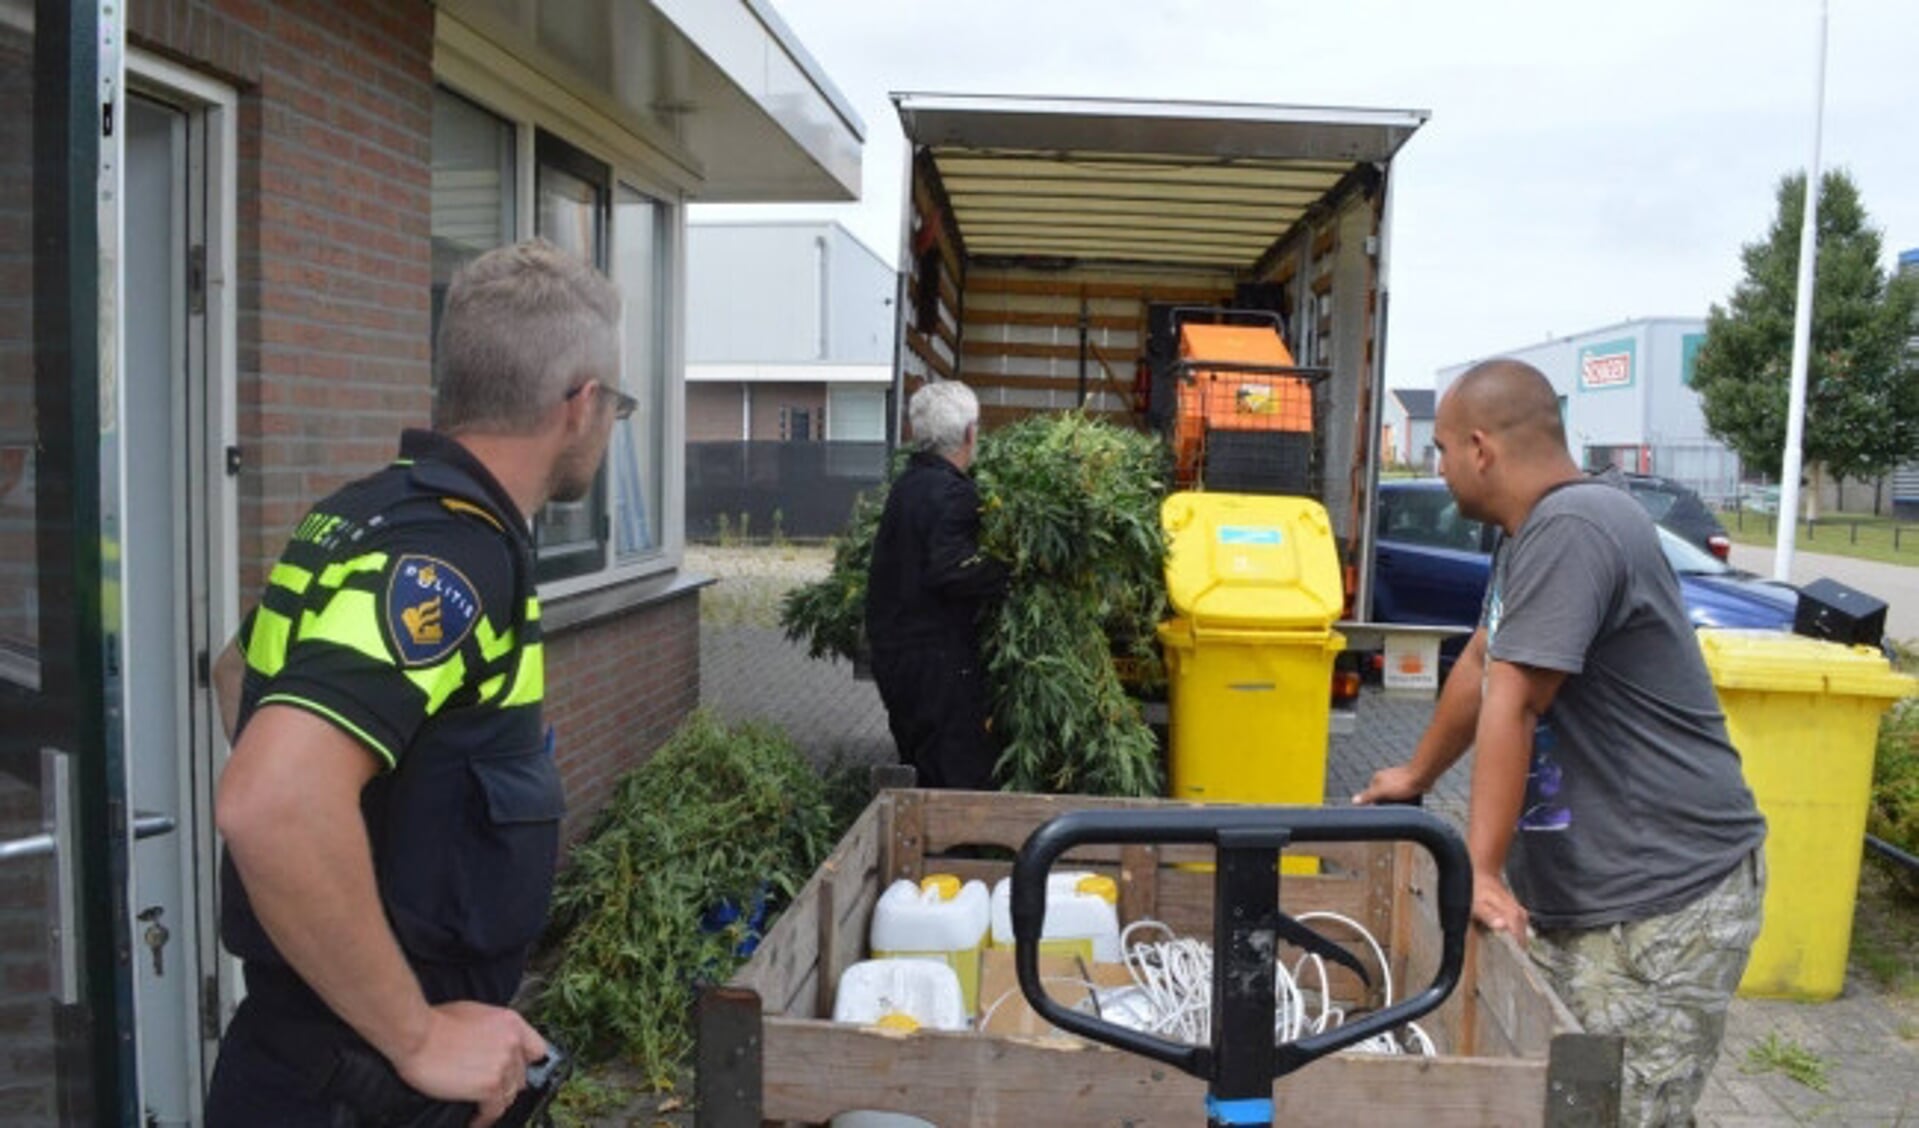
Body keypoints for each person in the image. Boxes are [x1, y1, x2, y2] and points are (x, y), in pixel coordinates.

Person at [204, 240, 633, 1127]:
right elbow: (270, 800)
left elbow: (239, 670)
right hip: (361, 1085)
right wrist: (415, 1037)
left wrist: (364, 809)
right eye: (617, 405)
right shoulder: (452, 555)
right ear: (580, 405)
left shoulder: (358, 514)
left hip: (299, 1055)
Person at [1355, 359, 1766, 1126]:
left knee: (1617, 1113)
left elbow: (1514, 701)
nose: (1434, 467)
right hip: (1594, 890)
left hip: (1659, 897)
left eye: (1439, 449)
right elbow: (1482, 662)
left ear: (1481, 448)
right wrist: (1413, 775)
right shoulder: (1531, 534)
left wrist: (1477, 870)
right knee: (1557, 1101)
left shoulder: (1574, 528)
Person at [865, 380, 1009, 790]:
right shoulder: (954, 493)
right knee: (956, 774)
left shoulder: (907, 485)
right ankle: (954, 851)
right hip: (934, 662)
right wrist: (1009, 572)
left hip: (896, 654)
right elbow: (951, 568)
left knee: (921, 762)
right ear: (969, 433)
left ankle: (920, 845)